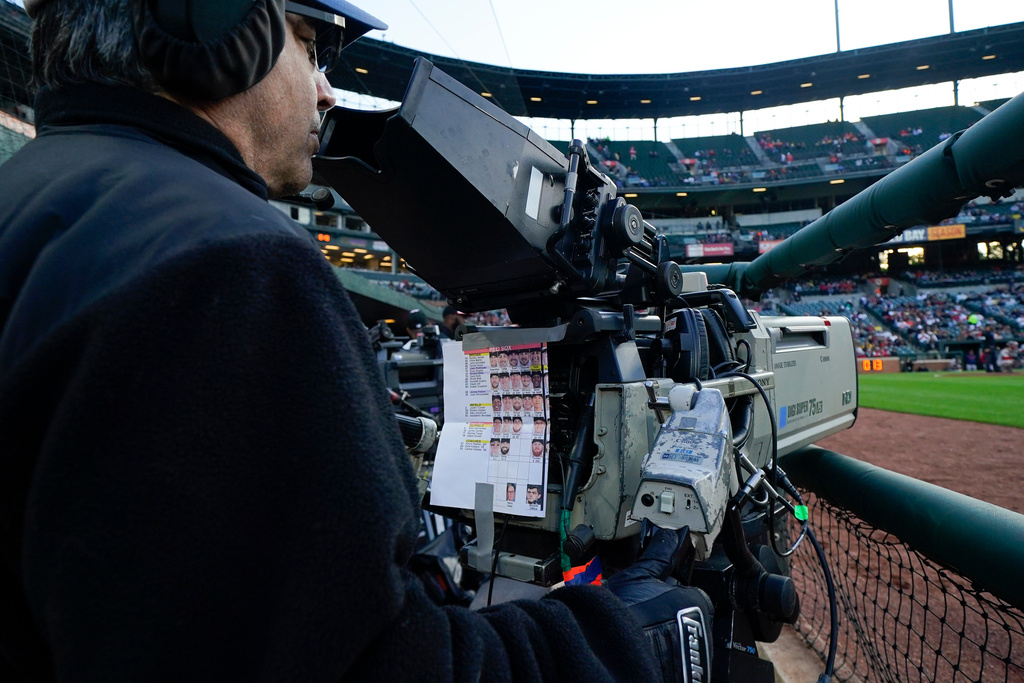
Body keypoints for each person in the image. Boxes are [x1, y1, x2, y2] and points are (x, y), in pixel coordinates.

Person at [0, 1, 711, 680]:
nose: (328, 92)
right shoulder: (228, 265)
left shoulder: (40, 201)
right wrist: (629, 638)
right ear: (212, 20)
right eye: (312, 46)